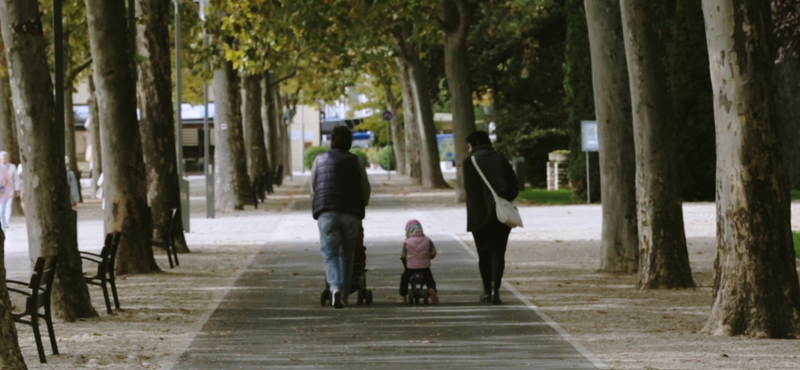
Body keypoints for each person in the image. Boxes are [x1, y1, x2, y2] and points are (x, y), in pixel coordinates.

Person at [310, 126, 371, 309]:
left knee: (329, 254)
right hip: (351, 212)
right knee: (347, 254)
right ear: (349, 142)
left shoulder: (319, 160)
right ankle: (344, 295)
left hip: (326, 211)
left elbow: (313, 186)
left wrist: (318, 204)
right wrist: (362, 204)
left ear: (332, 140)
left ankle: (334, 288)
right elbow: (365, 187)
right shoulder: (356, 161)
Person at [463, 131, 519, 304]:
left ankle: (487, 290)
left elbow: (471, 192)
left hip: (478, 216)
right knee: (497, 253)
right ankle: (496, 291)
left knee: (484, 254)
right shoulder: (501, 159)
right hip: (500, 215)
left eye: (469, 145)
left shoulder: (469, 162)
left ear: (475, 143)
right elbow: (514, 186)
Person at [399, 219, 439, 304]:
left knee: (404, 278)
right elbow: (433, 252)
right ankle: (432, 289)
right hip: (424, 267)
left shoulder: (407, 242)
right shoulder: (428, 240)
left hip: (411, 268)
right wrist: (429, 257)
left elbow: (403, 255)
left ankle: (403, 295)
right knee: (429, 279)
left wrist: (405, 260)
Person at [0, 152, 18, 231]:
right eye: (3, 159)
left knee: (5, 208)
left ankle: (5, 224)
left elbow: (13, 179)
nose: (4, 160)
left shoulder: (11, 167)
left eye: (5, 158)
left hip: (7, 191)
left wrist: (17, 189)